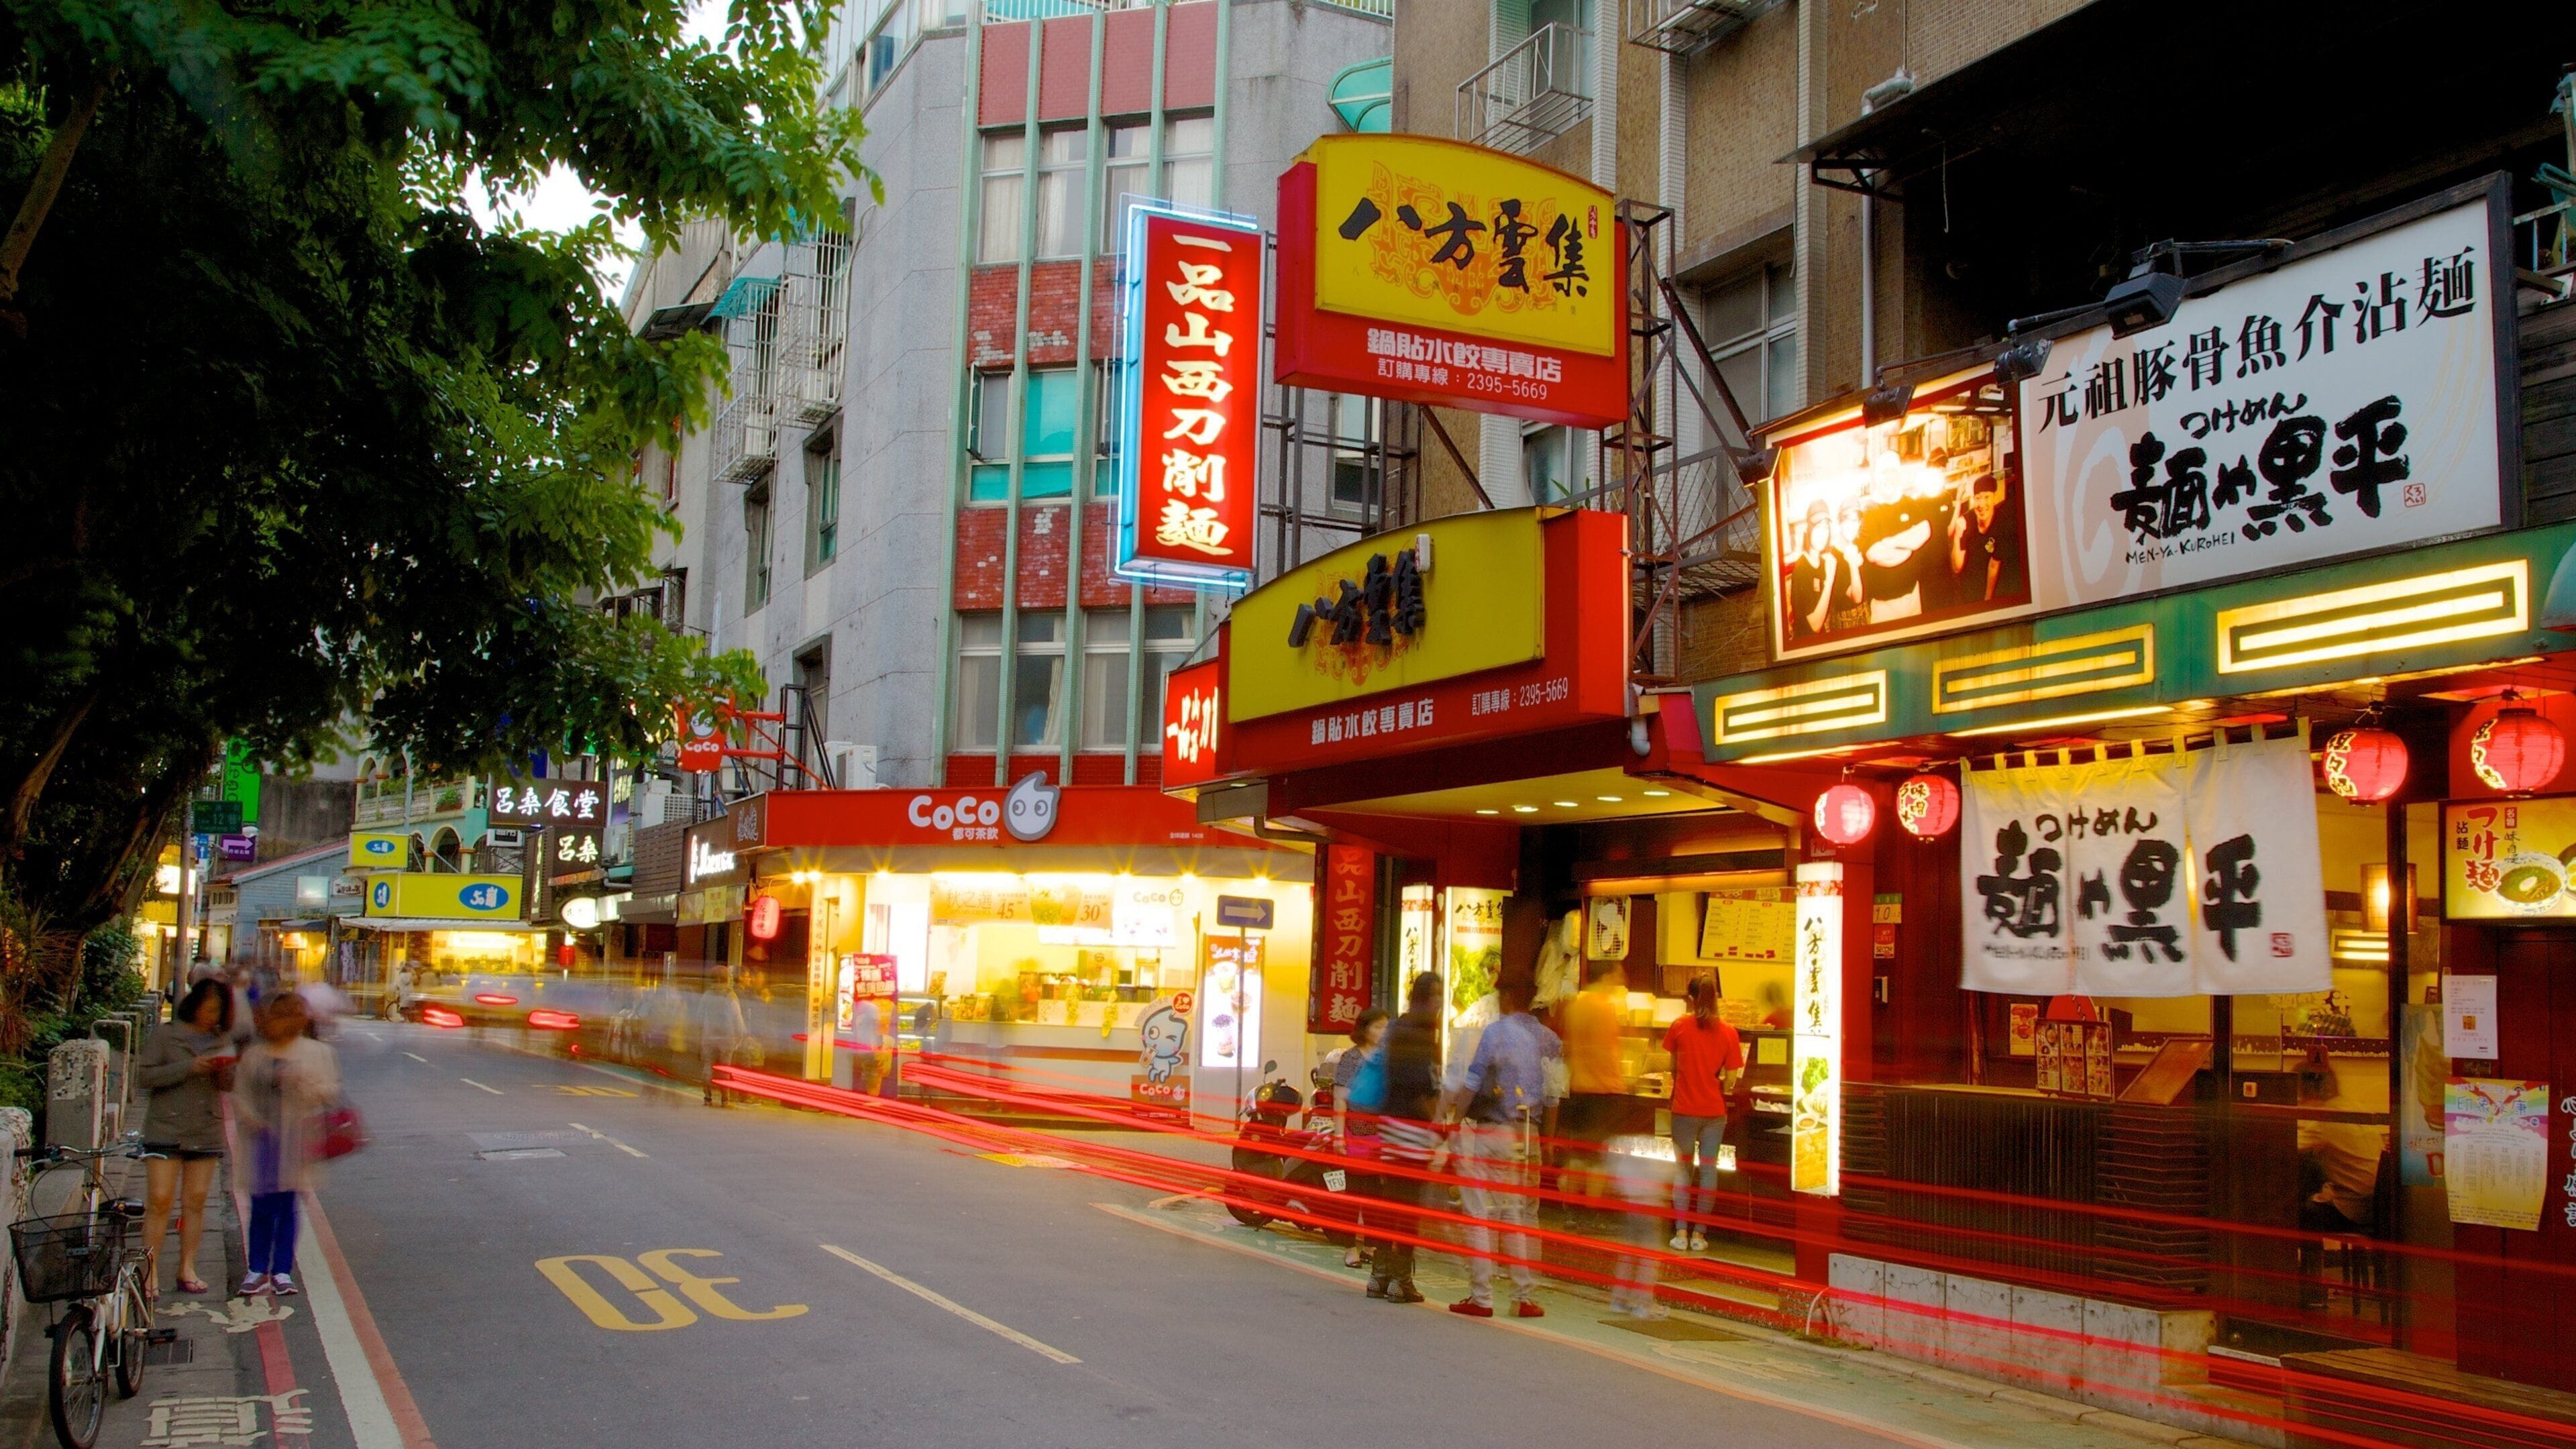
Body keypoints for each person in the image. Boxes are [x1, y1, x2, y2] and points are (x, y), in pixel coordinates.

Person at [1441, 983, 1564, 1319]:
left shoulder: (1495, 1033)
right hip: (1530, 1135)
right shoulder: (1551, 1039)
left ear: (1508, 997)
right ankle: (1524, 1296)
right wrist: (1548, 1141)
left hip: (1493, 1131)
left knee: (1480, 1213)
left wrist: (1455, 1119)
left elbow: (1473, 1081)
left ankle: (1482, 1297)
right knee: (1520, 1215)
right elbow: (1554, 1095)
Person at [231, 992, 341, 1297]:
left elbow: (329, 1092)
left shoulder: (317, 1053)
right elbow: (241, 1095)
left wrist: (302, 1082)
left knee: (289, 1206)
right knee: (262, 1206)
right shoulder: (256, 1055)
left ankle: (282, 1270)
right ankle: (257, 1268)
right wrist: (253, 1119)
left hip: (298, 1139)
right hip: (262, 1141)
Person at [135, 980, 235, 1296]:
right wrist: (189, 1066)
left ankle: (187, 1267)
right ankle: (149, 1273)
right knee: (160, 1200)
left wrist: (224, 1068)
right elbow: (146, 1076)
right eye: (208, 1009)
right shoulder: (167, 1034)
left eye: (217, 1010)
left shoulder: (220, 1039)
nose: (211, 1016)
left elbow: (228, 1086)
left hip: (205, 1127)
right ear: (194, 1005)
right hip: (166, 1127)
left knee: (195, 1201)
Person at [1366, 975, 1444, 1304]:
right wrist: (1436, 1123)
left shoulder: (1396, 1028)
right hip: (1412, 1127)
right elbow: (1421, 1086)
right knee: (1408, 1205)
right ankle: (1401, 1281)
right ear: (1427, 998)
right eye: (1438, 995)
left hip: (1388, 1123)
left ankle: (1379, 1275)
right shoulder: (1424, 1035)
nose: (1441, 1002)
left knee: (1390, 1199)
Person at [1662, 975, 1744, 1251]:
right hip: (1714, 1111)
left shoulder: (1679, 1026)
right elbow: (1732, 1078)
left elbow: (1672, 1066)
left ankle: (1681, 1233)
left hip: (1684, 1108)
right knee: (1708, 1170)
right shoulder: (1729, 1032)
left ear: (1691, 998)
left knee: (1683, 1170)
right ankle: (1700, 1235)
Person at [1331, 1008, 1391, 1271]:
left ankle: (1370, 1245)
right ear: (1364, 1029)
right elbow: (1340, 1098)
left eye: (1386, 1027)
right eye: (1377, 1027)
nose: (1382, 1032)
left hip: (1380, 1133)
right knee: (1354, 1192)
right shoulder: (1351, 1058)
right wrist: (1338, 1136)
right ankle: (1349, 1247)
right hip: (1355, 1130)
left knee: (1376, 1194)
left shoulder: (1387, 1059)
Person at [1560, 959, 1629, 1155]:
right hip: (1602, 1092)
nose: (1621, 981)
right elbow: (1605, 1052)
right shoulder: (1604, 1008)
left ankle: (1571, 1185)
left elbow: (1570, 1050)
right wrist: (1620, 1084)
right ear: (1606, 977)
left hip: (1578, 1088)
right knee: (1598, 1159)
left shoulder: (1575, 1007)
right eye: (1618, 976)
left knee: (1578, 1155)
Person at [1947, 471, 2025, 604]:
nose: (1982, 504)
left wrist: (1987, 601)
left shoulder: (2003, 523)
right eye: (1978, 498)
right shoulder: (1966, 521)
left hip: (1994, 584)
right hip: (1970, 584)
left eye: (1987, 497)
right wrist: (1958, 535)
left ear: (1995, 497)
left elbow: (1994, 566)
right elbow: (1957, 568)